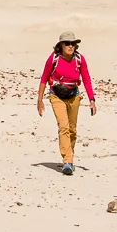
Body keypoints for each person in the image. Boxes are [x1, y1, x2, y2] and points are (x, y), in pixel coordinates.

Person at [36, 31, 94, 172]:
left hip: (74, 96)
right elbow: (44, 78)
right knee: (63, 126)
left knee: (72, 130)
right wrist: (40, 100)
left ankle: (70, 156)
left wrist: (92, 99)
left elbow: (86, 78)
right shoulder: (53, 59)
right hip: (56, 95)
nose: (70, 46)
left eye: (73, 44)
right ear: (60, 45)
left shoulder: (79, 59)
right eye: (67, 43)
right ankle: (67, 161)